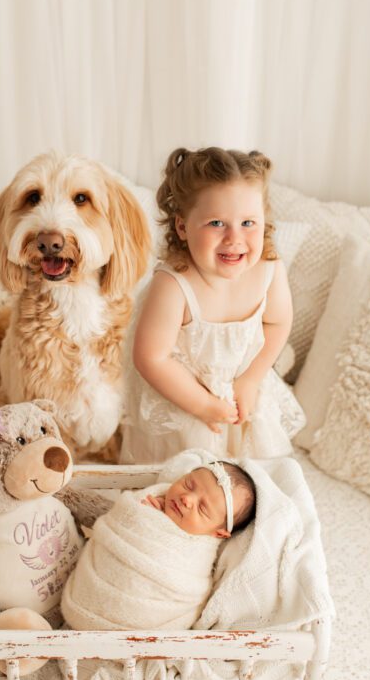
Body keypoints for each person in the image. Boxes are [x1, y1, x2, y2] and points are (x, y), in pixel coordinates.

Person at [120, 146, 305, 463]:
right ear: (182, 227)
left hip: (243, 393)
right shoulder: (174, 283)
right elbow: (151, 357)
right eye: (217, 223)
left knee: (251, 475)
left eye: (248, 223)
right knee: (179, 482)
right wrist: (203, 406)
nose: (234, 238)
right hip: (185, 401)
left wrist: (250, 379)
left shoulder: (268, 269)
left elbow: (278, 323)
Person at [60, 458, 256, 631]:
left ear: (218, 533)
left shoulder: (195, 554)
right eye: (188, 484)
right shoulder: (147, 502)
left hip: (143, 619)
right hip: (91, 592)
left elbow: (186, 585)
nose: (187, 499)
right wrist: (144, 517)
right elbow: (121, 520)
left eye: (202, 508)